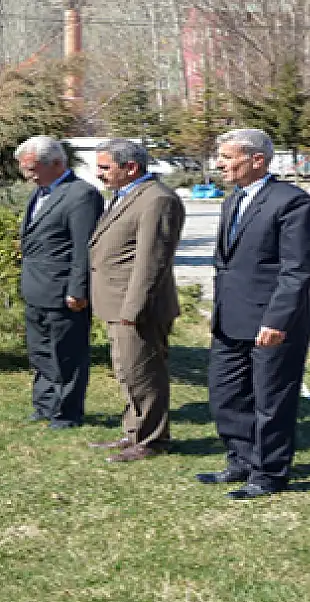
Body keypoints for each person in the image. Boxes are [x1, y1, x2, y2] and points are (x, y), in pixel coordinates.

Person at [198, 128, 310, 499]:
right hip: (230, 319)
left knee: (272, 401)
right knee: (227, 395)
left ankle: (269, 473)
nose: (220, 164)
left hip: (271, 323)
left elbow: (297, 270)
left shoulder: (291, 202)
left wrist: (277, 321)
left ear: (256, 160)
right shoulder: (234, 200)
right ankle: (241, 460)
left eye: (228, 158)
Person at [88, 138, 185, 462]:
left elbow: (151, 260)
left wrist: (134, 309)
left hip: (137, 307)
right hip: (116, 302)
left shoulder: (156, 200)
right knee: (127, 371)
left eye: (105, 167)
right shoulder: (127, 195)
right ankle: (135, 432)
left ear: (131, 168)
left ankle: (152, 439)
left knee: (144, 373)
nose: (98, 174)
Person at [15, 136, 102, 429]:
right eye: (24, 168)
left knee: (67, 354)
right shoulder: (40, 193)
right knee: (40, 351)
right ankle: (45, 405)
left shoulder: (80, 195)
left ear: (56, 163)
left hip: (63, 291)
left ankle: (67, 412)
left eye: (32, 168)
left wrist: (78, 290)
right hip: (36, 288)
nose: (27, 174)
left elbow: (83, 248)